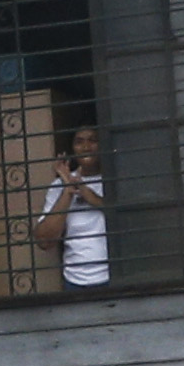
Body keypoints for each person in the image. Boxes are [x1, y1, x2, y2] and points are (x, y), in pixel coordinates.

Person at [37, 123, 110, 291]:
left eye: (92, 140)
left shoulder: (114, 180)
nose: (86, 147)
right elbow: (44, 241)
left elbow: (128, 217)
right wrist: (68, 189)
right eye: (79, 142)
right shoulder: (58, 186)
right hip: (74, 281)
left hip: (113, 277)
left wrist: (91, 197)